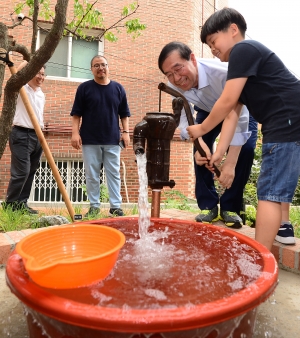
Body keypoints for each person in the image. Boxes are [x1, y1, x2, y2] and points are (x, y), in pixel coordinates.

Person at [187, 7, 300, 250]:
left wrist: (202, 128)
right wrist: (219, 154)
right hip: (285, 121)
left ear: (233, 30)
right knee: (272, 190)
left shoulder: (243, 50)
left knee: (269, 193)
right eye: (209, 45)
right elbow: (232, 114)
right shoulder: (242, 66)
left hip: (287, 120)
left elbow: (225, 101)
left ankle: (261, 261)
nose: (213, 49)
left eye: (213, 40)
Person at [158, 41, 258, 228]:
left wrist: (230, 163)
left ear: (193, 59)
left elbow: (239, 117)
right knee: (201, 154)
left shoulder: (224, 72)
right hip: (206, 110)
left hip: (240, 109)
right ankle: (208, 205)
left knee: (247, 149)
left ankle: (231, 207)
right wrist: (199, 144)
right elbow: (185, 121)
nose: (176, 78)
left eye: (178, 69)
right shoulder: (175, 87)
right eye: (169, 74)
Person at [70, 55, 131, 218]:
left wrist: (126, 133)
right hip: (89, 139)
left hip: (112, 139)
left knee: (114, 173)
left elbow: (124, 114)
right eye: (96, 65)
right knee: (91, 174)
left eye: (103, 65)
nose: (100, 68)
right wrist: (75, 133)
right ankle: (94, 206)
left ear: (108, 67)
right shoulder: (84, 88)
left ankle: (115, 206)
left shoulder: (118, 88)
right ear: (91, 69)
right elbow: (76, 114)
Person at [3, 61, 46, 214]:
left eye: (43, 74)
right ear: (30, 72)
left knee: (31, 171)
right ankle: (10, 206)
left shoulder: (41, 94)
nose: (40, 77)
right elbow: (18, 72)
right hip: (21, 134)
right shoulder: (21, 88)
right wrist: (31, 60)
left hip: (38, 136)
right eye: (37, 72)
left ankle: (21, 204)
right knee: (21, 171)